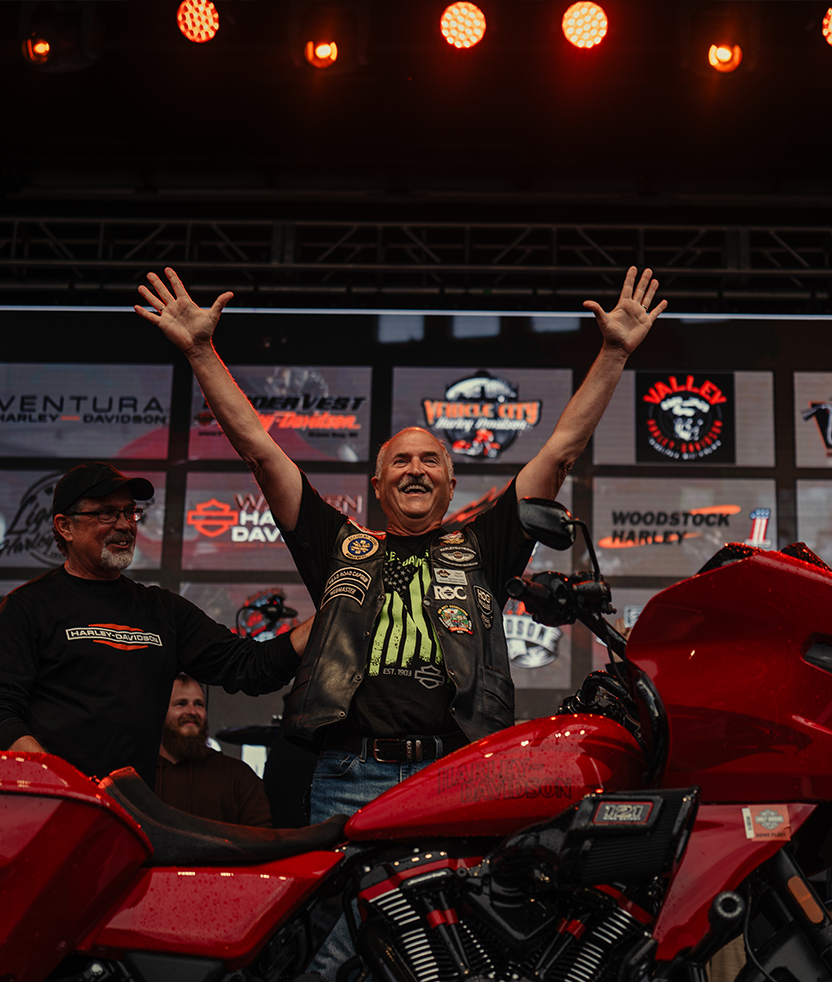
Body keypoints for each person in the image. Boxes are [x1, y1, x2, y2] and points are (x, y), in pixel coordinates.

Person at [134, 265, 667, 820]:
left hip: (460, 769)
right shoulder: (339, 545)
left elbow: (559, 454)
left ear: (451, 482)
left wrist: (614, 353)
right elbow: (261, 453)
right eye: (401, 461)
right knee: (345, 910)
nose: (416, 470)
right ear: (378, 482)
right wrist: (200, 352)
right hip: (348, 775)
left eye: (430, 459)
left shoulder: (483, 545)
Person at [0, 461, 311, 786]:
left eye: (130, 512)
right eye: (106, 513)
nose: (125, 524)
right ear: (65, 526)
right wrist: (62, 784)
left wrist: (331, 617)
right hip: (49, 811)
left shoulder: (161, 610)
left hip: (129, 819)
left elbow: (252, 666)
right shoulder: (27, 607)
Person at [154, 673, 274, 828]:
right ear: (160, 711)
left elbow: (262, 842)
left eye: (199, 704)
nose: (192, 711)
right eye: (181, 703)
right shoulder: (139, 776)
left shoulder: (239, 776)